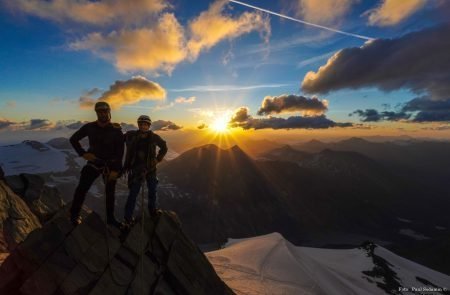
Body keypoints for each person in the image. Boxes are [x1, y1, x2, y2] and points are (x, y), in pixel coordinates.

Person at [69, 101, 124, 227]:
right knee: (81, 189)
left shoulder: (116, 130)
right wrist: (83, 153)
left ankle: (110, 219)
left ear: (109, 112)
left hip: (110, 165)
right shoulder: (90, 127)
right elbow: (73, 139)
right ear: (97, 113)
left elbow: (120, 152)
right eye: (100, 111)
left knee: (110, 193)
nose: (103, 113)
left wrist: (116, 170)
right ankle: (74, 215)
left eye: (105, 111)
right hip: (94, 162)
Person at [123, 115, 167, 224]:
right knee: (133, 194)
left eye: (145, 124)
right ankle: (128, 218)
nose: (143, 126)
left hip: (150, 169)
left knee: (152, 190)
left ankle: (152, 211)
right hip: (137, 170)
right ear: (138, 125)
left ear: (148, 126)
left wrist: (158, 159)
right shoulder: (132, 135)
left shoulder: (154, 137)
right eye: (141, 124)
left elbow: (164, 147)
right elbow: (119, 137)